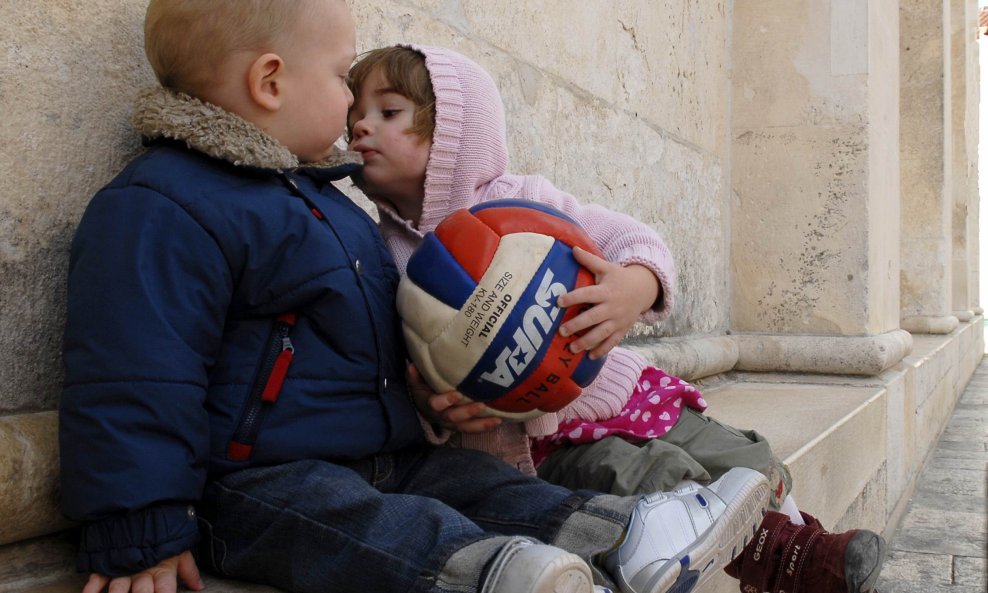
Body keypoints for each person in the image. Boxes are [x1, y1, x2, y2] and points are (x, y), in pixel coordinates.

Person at [57, 3, 771, 593]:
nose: (348, 107)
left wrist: (429, 402)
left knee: (485, 485)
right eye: (342, 77)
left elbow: (382, 343)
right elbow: (134, 373)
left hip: (390, 453)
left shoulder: (333, 208)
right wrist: (139, 527)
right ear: (270, 81)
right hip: (258, 480)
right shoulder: (165, 203)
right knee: (353, 520)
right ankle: (481, 572)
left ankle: (626, 537)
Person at [345, 44, 887, 593]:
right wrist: (438, 412)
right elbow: (409, 375)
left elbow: (631, 239)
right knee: (657, 480)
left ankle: (801, 544)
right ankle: (789, 561)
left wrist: (635, 286)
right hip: (539, 446)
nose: (361, 128)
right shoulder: (383, 257)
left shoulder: (524, 203)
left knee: (745, 457)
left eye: (388, 112)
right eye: (353, 116)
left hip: (615, 389)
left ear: (457, 132)